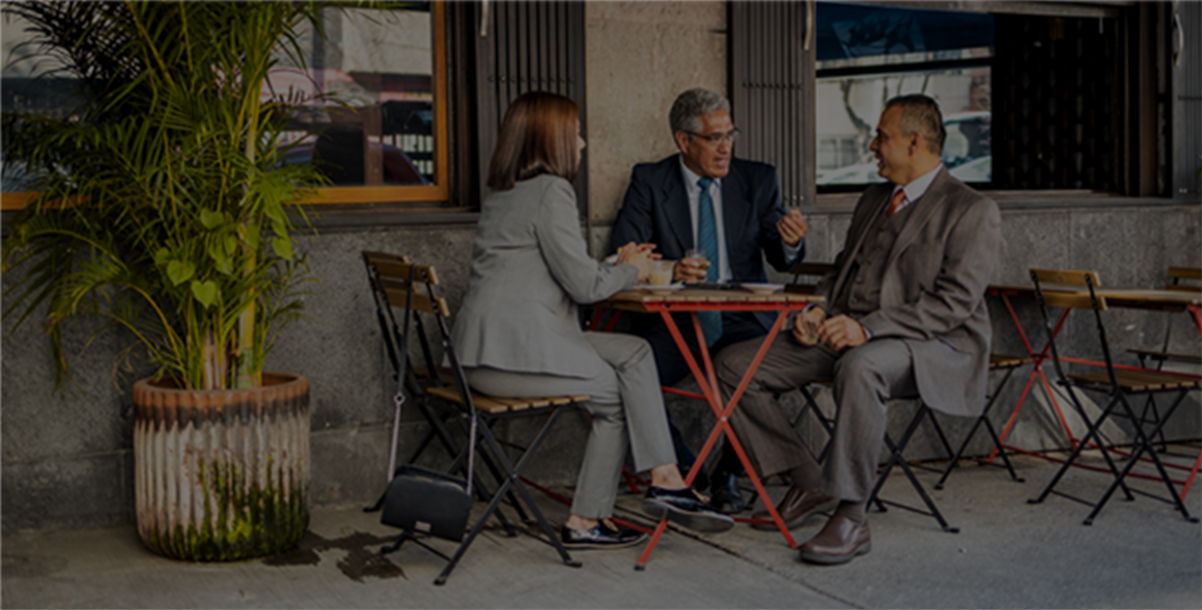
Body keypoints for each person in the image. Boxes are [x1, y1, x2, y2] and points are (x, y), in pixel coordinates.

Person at [714, 94, 1001, 565]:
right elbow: (845, 270)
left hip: (930, 345)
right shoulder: (873, 198)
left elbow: (954, 304)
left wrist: (868, 329)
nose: (872, 145)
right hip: (848, 334)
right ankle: (810, 479)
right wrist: (817, 308)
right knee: (733, 365)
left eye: (881, 137)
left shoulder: (972, 210)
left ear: (914, 142)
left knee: (862, 366)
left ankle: (851, 514)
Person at [451, 91, 733, 550]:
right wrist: (633, 269)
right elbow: (583, 287)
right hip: (512, 356)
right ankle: (586, 520)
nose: (581, 144)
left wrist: (616, 264)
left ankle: (665, 477)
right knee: (617, 396)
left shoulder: (506, 191)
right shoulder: (551, 190)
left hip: (486, 348)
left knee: (636, 351)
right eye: (576, 134)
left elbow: (566, 270)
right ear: (553, 138)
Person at [610, 88, 809, 513]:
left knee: (751, 374)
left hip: (741, 317)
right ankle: (685, 471)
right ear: (684, 141)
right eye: (714, 137)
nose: (726, 147)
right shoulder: (650, 180)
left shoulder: (757, 179)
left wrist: (792, 244)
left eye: (729, 135)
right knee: (626, 379)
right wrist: (670, 271)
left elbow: (780, 255)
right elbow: (625, 250)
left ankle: (728, 475)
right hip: (676, 319)